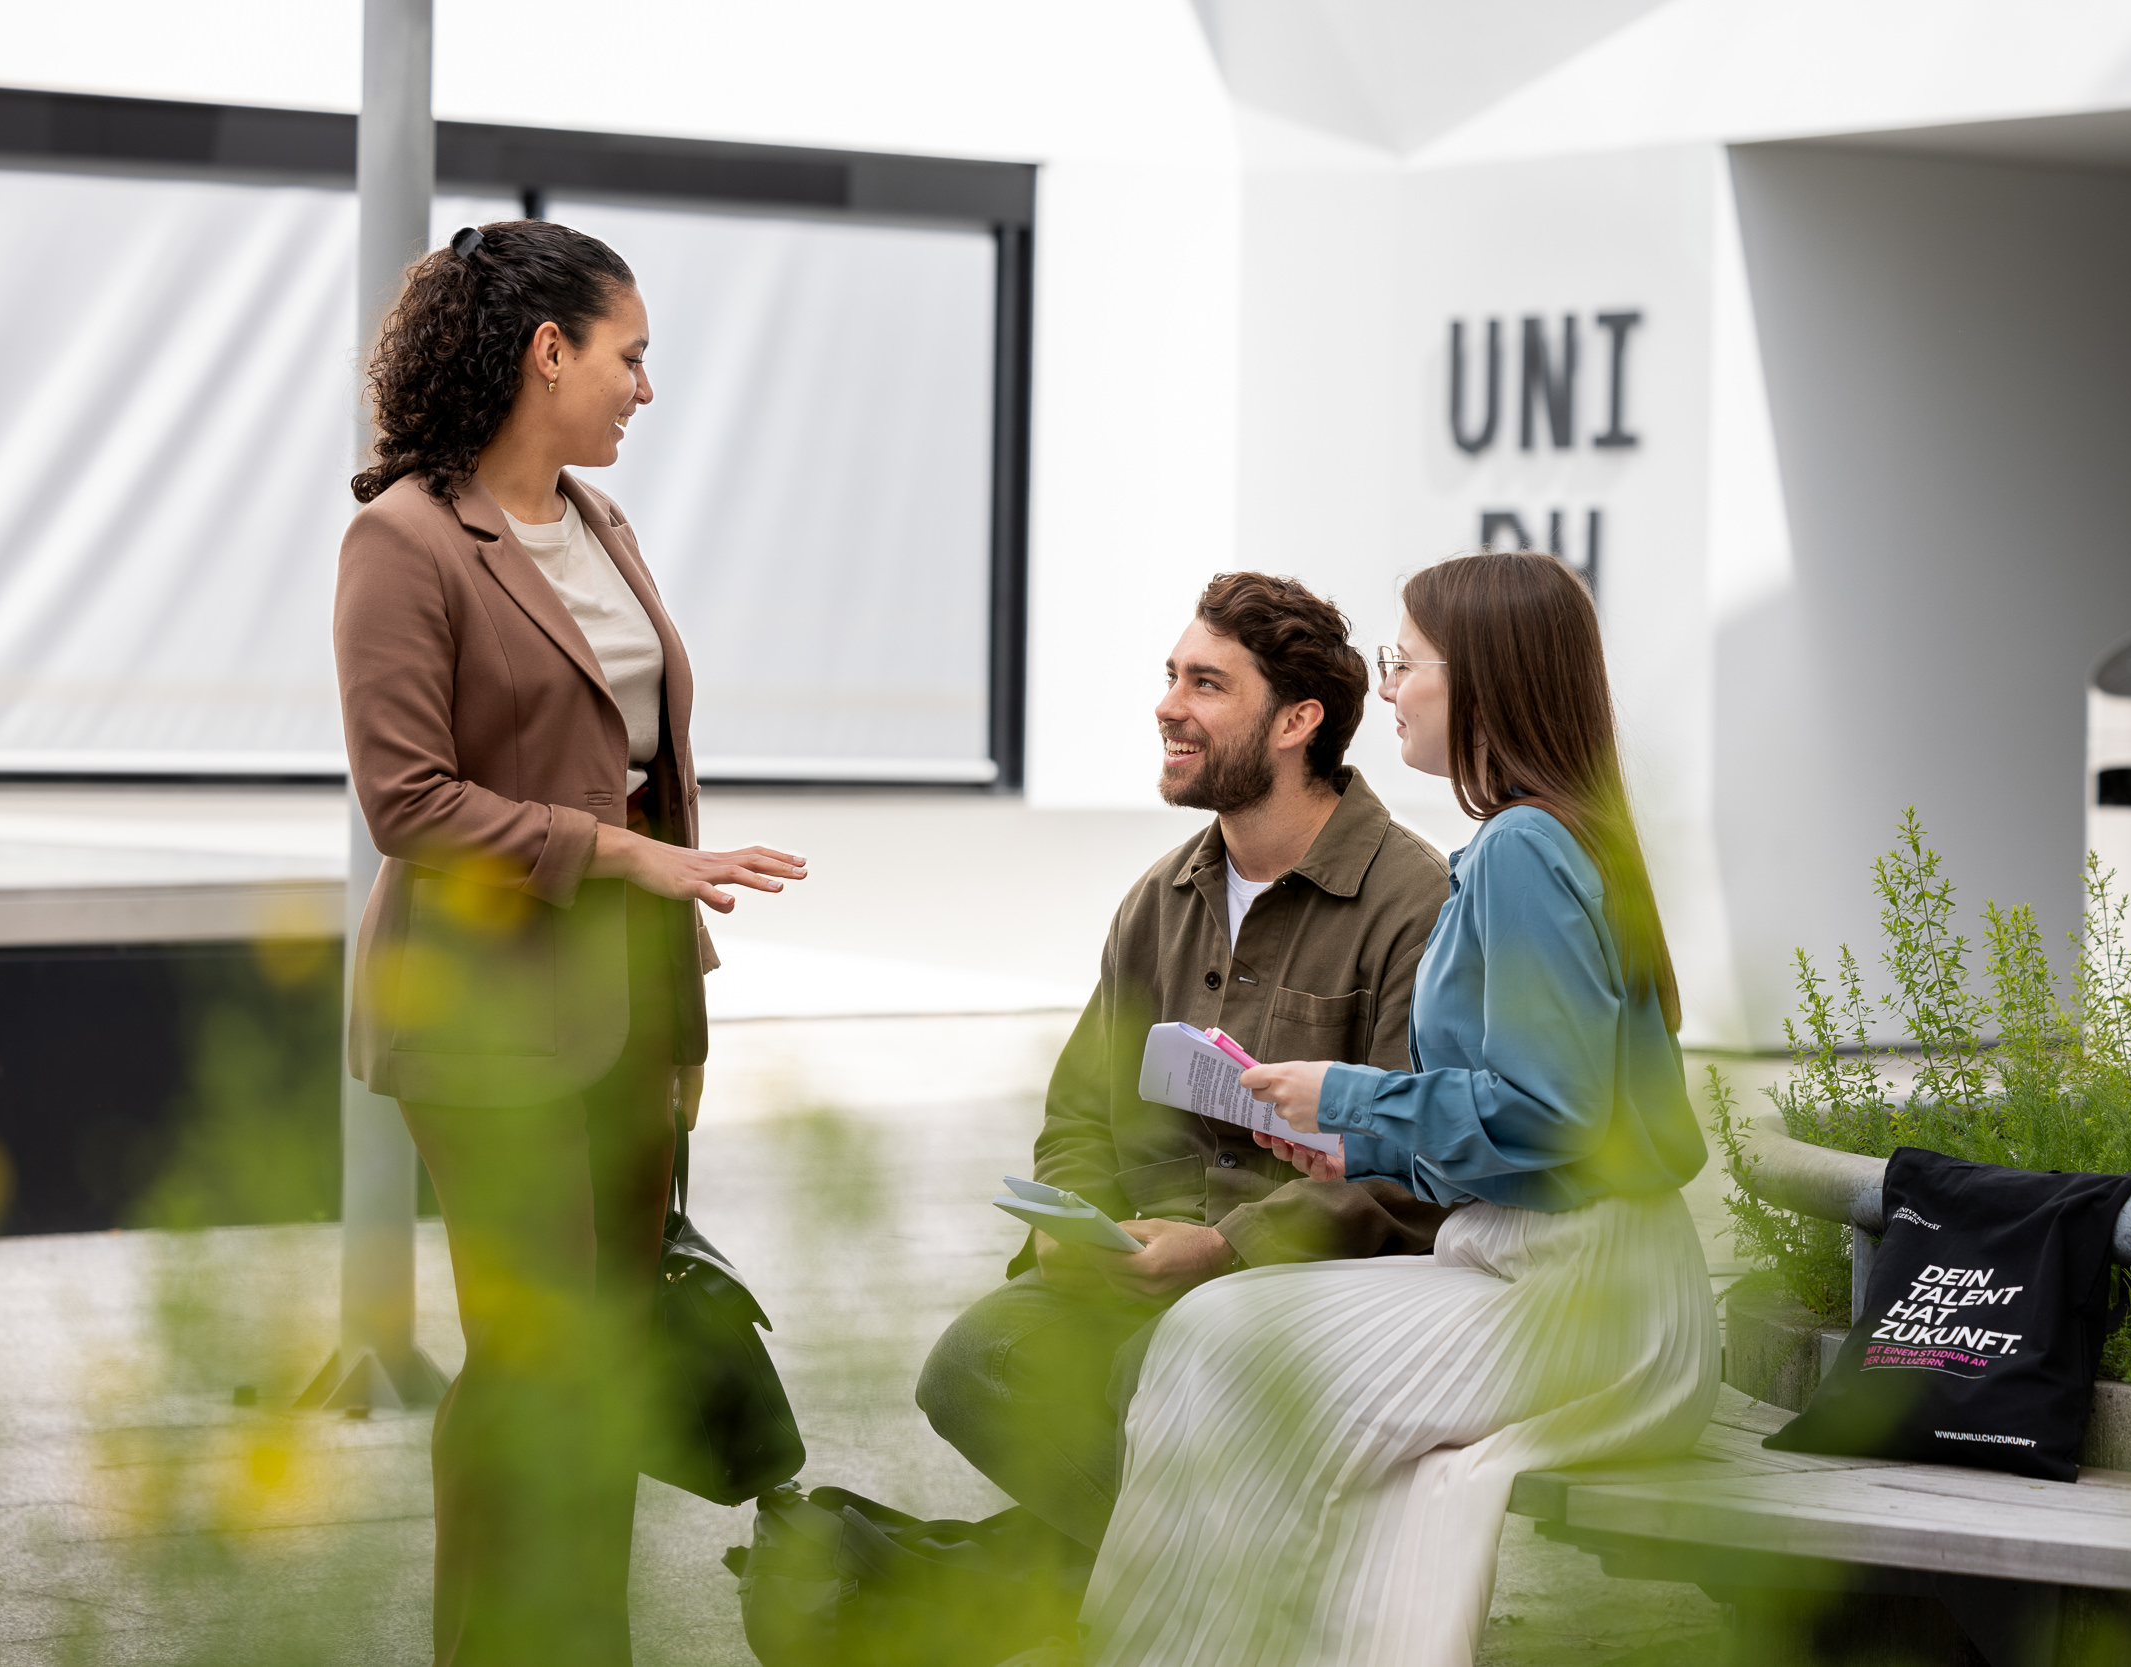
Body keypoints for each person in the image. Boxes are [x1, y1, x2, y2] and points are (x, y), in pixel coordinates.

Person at [1078, 552, 1719, 1667]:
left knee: (1225, 1353)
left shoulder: (1522, 849)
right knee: (1216, 1340)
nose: (1390, 689)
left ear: (1483, 679)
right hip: (1556, 1268)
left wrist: (1345, 1094)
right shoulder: (1551, 837)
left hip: (1582, 1296)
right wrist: (1358, 1143)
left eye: (1407, 662)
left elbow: (1554, 1114)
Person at [334, 220, 805, 1667]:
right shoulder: (404, 539)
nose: (645, 388)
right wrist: (619, 854)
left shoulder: (601, 524)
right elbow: (407, 800)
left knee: (604, 1361)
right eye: (630, 355)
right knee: (534, 1360)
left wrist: (678, 998)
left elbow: (638, 763)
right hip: (485, 1015)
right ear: (549, 351)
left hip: (634, 999)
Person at [917, 572, 1455, 1554]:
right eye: (1172, 676)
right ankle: (1216, 1578)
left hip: (1308, 1282)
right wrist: (1075, 1228)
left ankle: (1166, 1590)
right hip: (1147, 1267)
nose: (1168, 705)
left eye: (1206, 683)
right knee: (975, 1362)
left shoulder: (1413, 903)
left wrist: (1223, 1247)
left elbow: (1413, 1162)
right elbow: (1081, 1111)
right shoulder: (1157, 901)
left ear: (1296, 720)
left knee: (1151, 1371)